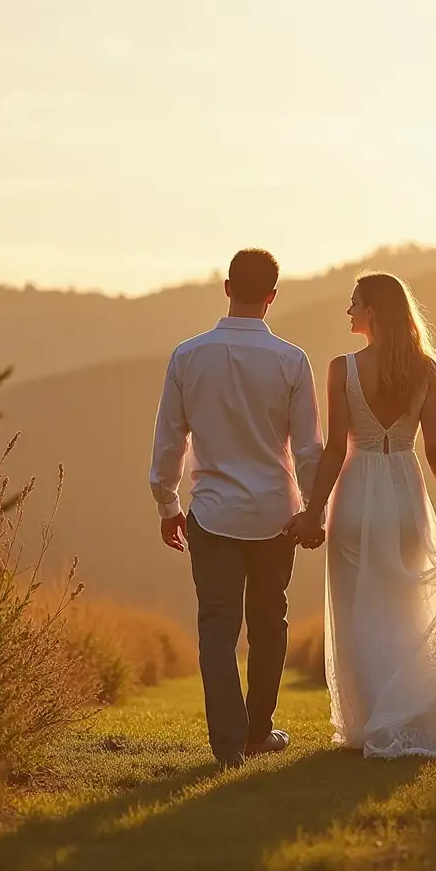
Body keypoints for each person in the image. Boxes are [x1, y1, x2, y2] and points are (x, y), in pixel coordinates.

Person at [285, 273, 436, 758]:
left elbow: (335, 449)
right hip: (405, 496)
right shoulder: (426, 369)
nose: (349, 311)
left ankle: (370, 721)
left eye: (355, 303)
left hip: (355, 495)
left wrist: (312, 512)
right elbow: (434, 446)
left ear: (372, 310)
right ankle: (403, 718)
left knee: (357, 612)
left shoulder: (342, 368)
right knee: (404, 609)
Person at [150, 249, 324, 771]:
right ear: (273, 296)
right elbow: (308, 449)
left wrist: (167, 502)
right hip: (276, 515)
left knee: (217, 628)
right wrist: (313, 510)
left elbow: (170, 440)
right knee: (270, 624)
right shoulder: (292, 360)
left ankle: (227, 745)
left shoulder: (187, 356)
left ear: (226, 287)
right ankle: (258, 732)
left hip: (212, 514)